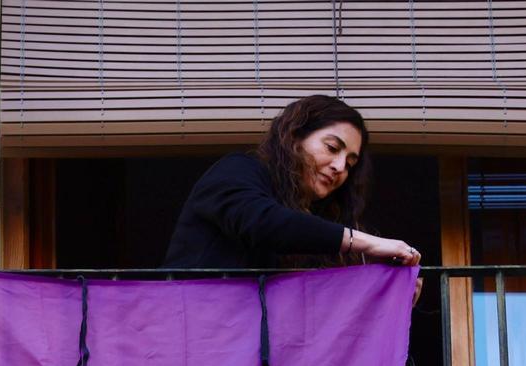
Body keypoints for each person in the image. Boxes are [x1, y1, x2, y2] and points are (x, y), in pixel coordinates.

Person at [163, 95, 423, 295]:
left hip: (251, 353)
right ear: (295, 136)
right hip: (194, 338)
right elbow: (263, 222)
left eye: (350, 163)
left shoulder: (312, 224)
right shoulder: (238, 170)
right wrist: (369, 242)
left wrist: (394, 291)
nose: (340, 167)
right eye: (332, 147)